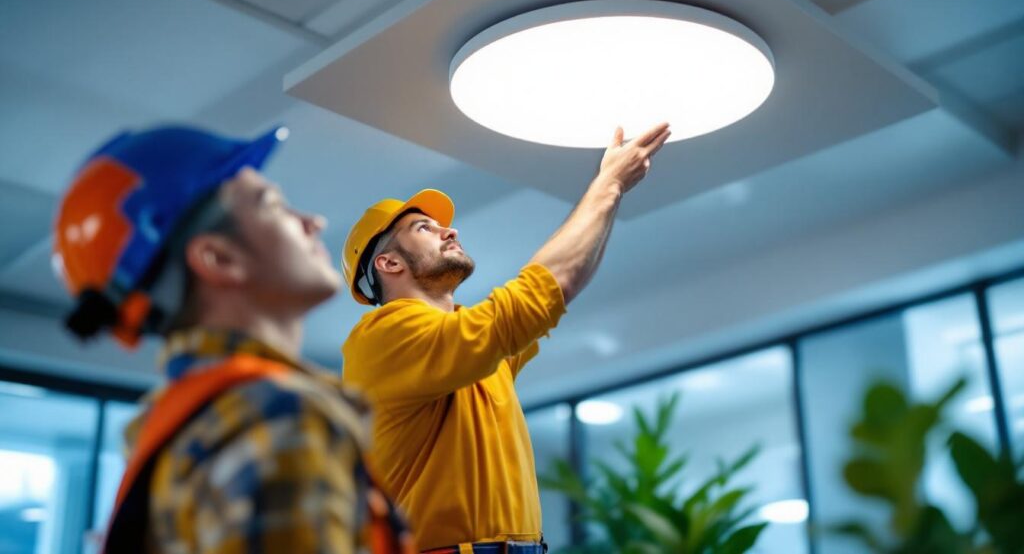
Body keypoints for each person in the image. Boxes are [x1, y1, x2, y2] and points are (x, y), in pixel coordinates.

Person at [53, 125, 414, 553]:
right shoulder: (276, 416)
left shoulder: (181, 426)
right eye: (274, 206)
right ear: (218, 258)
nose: (313, 222)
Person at [339, 123, 672, 551]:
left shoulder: (462, 345)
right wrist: (608, 185)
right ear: (387, 263)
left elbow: (544, 298)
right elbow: (539, 294)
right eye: (423, 228)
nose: (450, 230)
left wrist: (611, 193)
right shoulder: (381, 335)